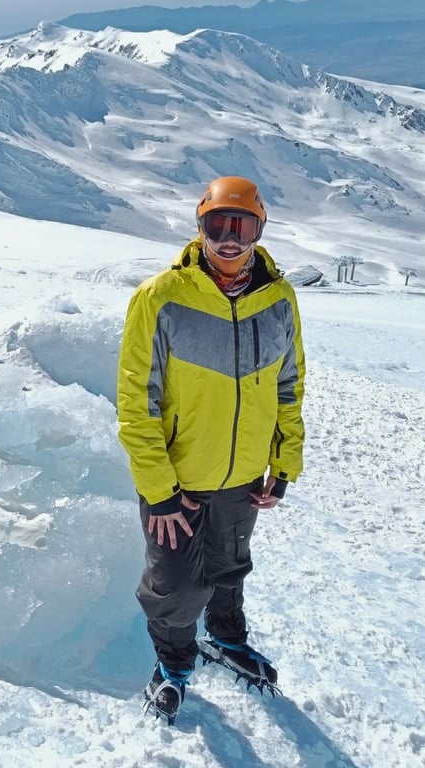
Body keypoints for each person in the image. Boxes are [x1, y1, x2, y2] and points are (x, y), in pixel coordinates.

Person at [116, 176, 306, 724]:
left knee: (229, 568)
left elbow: (289, 385)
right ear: (200, 228)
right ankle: (174, 663)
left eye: (241, 225)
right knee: (174, 585)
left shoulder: (278, 298)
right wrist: (159, 490)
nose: (228, 238)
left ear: (259, 229)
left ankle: (226, 640)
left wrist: (284, 461)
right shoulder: (161, 298)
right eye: (216, 225)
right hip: (177, 479)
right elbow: (136, 401)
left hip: (244, 475)